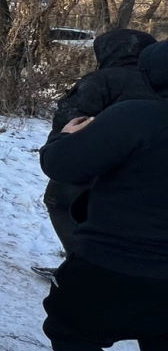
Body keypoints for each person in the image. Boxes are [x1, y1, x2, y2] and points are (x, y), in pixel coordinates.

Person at [39, 38, 168, 351]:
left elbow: (62, 164)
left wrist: (67, 135)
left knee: (69, 331)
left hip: (111, 264)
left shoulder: (136, 116)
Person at [40, 29, 156, 257]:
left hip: (97, 166)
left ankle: (81, 259)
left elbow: (69, 122)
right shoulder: (158, 82)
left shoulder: (101, 81)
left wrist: (59, 141)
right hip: (151, 172)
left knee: (58, 200)